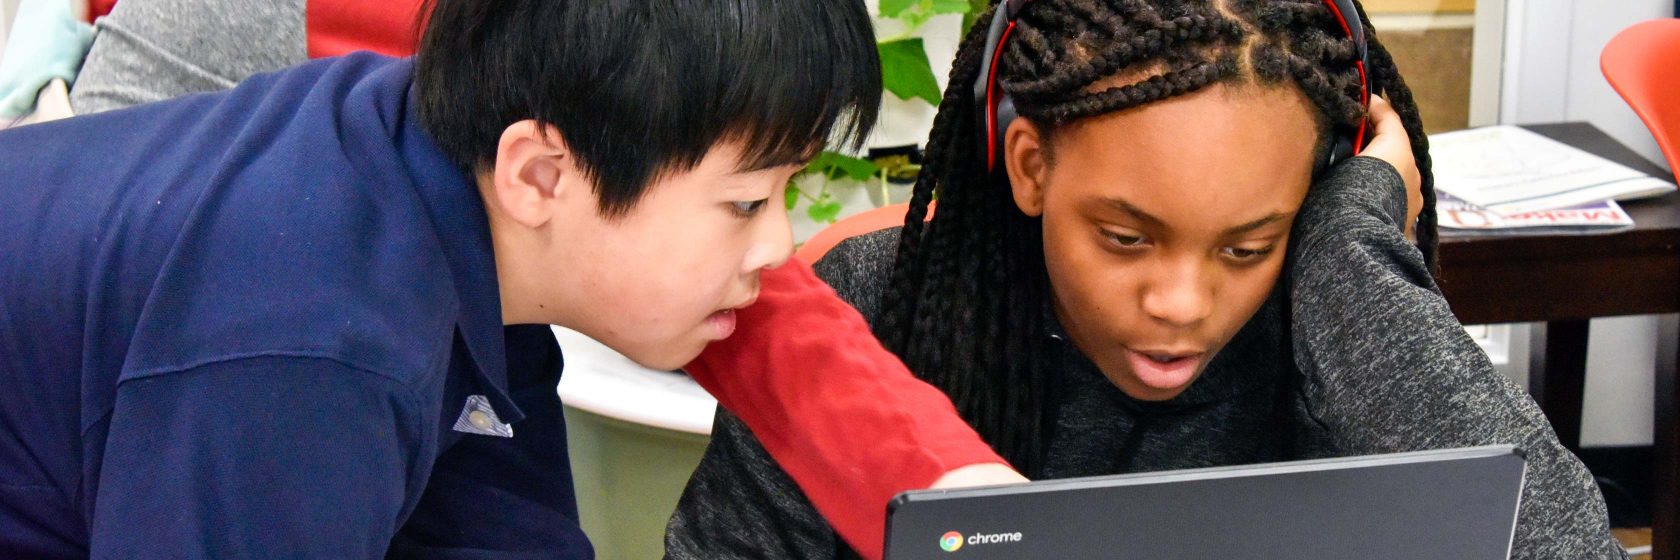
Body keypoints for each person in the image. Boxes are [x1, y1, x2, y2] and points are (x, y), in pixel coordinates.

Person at [0, 0, 1026, 558]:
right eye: (750, 202)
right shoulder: (308, 353)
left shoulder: (458, 217)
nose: (778, 248)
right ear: (541, 171)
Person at [665, 1, 1627, 558]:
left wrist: (1350, 253)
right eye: (1125, 239)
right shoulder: (871, 313)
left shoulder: (1336, 318)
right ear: (1030, 165)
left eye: (1248, 247)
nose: (1181, 304)